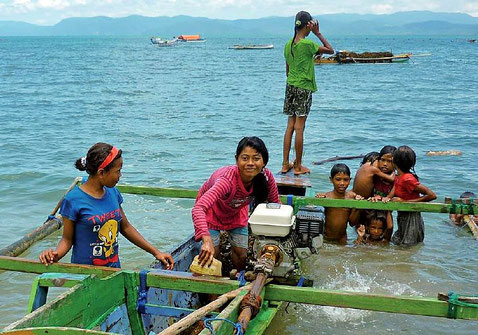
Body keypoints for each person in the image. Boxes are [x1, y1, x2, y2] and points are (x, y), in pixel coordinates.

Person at [39, 143, 174, 269]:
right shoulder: (73, 200)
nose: (120, 175)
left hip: (113, 269)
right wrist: (54, 255)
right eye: (118, 171)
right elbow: (67, 239)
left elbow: (125, 227)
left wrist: (156, 252)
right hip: (85, 274)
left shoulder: (112, 192)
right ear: (101, 173)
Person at [192, 137, 280, 271]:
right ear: (237, 159)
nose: (250, 163)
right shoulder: (227, 180)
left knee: (241, 256)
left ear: (264, 161)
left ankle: (239, 279)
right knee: (210, 257)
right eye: (245, 158)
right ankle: (214, 290)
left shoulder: (266, 177)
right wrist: (207, 241)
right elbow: (198, 208)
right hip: (211, 213)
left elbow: (275, 205)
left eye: (256, 159)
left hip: (237, 212)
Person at [281, 11, 334, 175]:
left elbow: (287, 71)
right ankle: (297, 166)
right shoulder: (308, 44)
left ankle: (285, 164)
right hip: (303, 87)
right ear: (308, 25)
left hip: (290, 86)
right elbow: (330, 50)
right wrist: (318, 33)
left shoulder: (288, 44)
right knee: (300, 128)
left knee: (290, 126)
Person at [389, 145, 436, 246]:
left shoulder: (407, 179)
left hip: (411, 216)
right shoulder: (398, 177)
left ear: (395, 162)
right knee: (398, 241)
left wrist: (405, 202)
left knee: (408, 245)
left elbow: (431, 195)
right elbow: (394, 190)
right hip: (403, 215)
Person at [315, 164, 362, 244]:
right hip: (326, 238)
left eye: (346, 180)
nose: (342, 183)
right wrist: (320, 198)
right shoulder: (327, 196)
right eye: (338, 179)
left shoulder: (352, 197)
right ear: (331, 179)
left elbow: (352, 223)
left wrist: (357, 205)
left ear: (350, 180)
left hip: (342, 239)